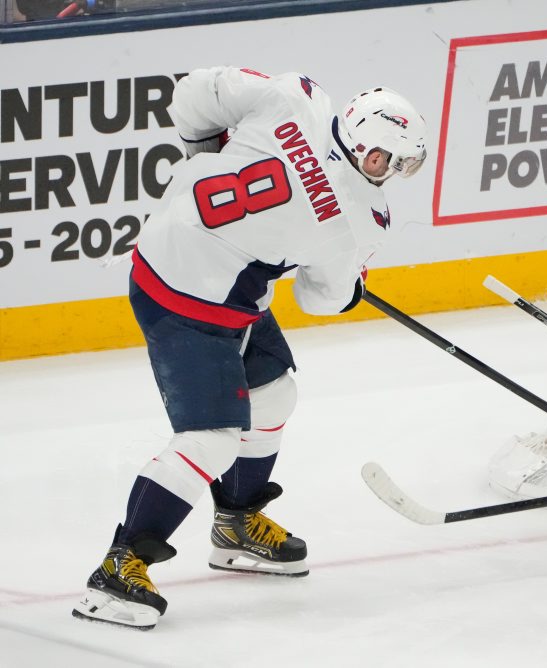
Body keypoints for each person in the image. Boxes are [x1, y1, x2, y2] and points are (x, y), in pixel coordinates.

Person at [72, 66, 428, 630]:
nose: (393, 172)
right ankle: (119, 569)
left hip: (187, 258)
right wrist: (350, 289)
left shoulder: (299, 97)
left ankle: (234, 523)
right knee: (211, 439)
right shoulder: (360, 219)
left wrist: (202, 152)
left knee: (274, 394)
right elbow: (319, 299)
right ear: (367, 149)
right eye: (391, 160)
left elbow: (195, 92)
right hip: (192, 304)